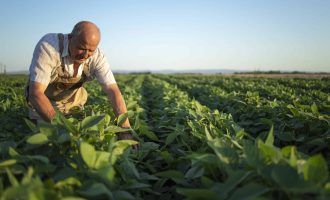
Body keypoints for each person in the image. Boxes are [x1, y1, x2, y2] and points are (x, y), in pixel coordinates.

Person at [26, 21, 135, 143]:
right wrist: (64, 129)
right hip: (43, 102)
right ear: (70, 37)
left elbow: (112, 90)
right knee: (50, 139)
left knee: (83, 136)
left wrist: (125, 129)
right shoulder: (49, 47)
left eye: (91, 50)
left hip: (73, 102)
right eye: (81, 48)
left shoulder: (97, 57)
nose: (85, 55)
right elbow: (36, 93)